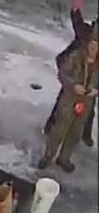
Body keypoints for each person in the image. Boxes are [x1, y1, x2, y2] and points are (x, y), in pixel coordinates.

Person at [38, 27, 99, 172]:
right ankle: (48, 157)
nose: (93, 49)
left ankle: (64, 159)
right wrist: (73, 85)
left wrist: (96, 91)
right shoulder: (76, 56)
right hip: (69, 99)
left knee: (75, 132)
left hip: (86, 102)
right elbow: (63, 73)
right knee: (59, 130)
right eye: (91, 45)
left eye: (96, 46)